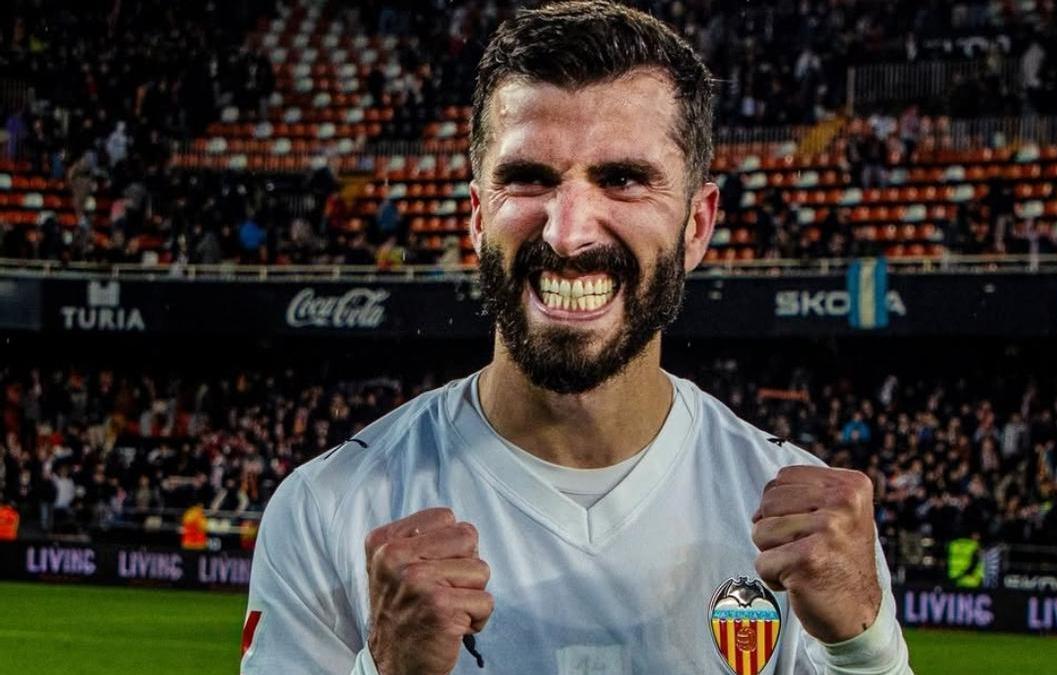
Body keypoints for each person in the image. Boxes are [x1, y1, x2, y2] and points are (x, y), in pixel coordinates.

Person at [242, 3, 910, 674]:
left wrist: (865, 646)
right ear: (476, 216)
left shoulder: (808, 524)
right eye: (528, 178)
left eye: (622, 179)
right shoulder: (327, 507)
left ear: (697, 225)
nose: (569, 233)